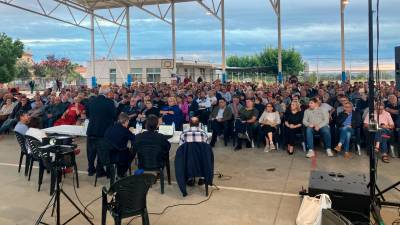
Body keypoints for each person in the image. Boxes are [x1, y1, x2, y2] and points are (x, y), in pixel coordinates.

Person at [86, 87, 117, 177]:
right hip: (104, 131)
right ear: (107, 93)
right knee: (102, 151)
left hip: (91, 129)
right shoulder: (109, 102)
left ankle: (91, 170)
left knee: (91, 152)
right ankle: (100, 171)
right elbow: (114, 116)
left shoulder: (91, 101)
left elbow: (87, 115)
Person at [103, 113, 135, 177]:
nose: (128, 123)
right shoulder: (124, 130)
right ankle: (121, 172)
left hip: (106, 154)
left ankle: (110, 172)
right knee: (132, 152)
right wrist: (130, 131)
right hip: (119, 155)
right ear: (125, 121)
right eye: (128, 122)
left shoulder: (110, 127)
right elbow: (134, 138)